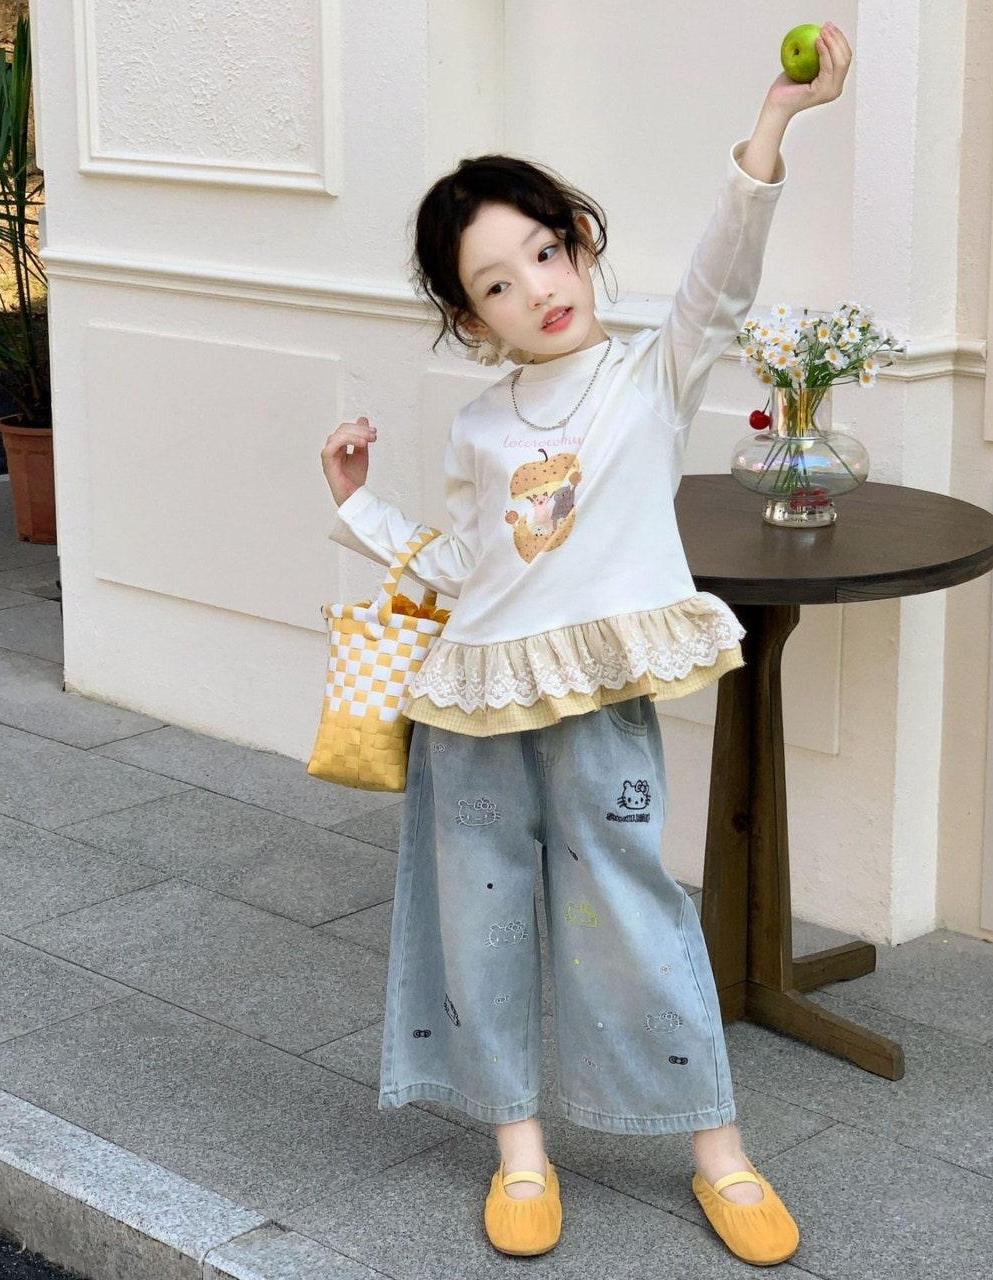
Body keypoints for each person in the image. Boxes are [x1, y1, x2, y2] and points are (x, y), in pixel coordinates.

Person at [321, 23, 852, 1266]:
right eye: (496, 284)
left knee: (633, 910)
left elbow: (721, 277)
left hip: (594, 698)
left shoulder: (646, 377)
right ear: (472, 318)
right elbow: (467, 564)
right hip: (471, 707)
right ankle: (519, 1149)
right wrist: (359, 507)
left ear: (579, 242)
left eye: (543, 251)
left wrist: (772, 123)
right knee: (480, 920)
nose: (535, 288)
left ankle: (716, 1151)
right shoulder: (478, 424)